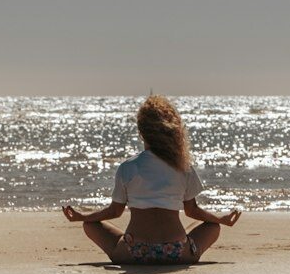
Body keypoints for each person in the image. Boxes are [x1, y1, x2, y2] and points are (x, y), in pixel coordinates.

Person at [63, 95, 241, 265]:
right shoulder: (183, 167)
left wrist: (83, 216)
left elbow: (115, 212)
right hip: (177, 252)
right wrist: (220, 219)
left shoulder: (128, 167)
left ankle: (129, 248)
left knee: (90, 225)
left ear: (141, 132)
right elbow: (192, 210)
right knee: (212, 226)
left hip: (135, 251)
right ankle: (179, 241)